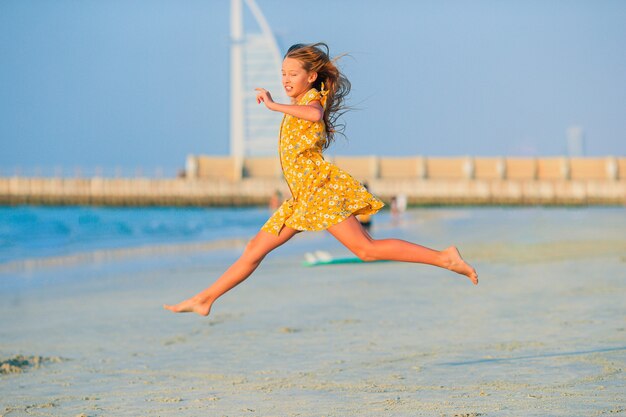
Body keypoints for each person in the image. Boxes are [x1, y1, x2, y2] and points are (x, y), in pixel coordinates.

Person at [164, 43, 477, 317]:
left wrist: (273, 105)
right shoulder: (301, 100)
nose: (286, 79)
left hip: (319, 191)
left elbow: (315, 116)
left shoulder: (312, 98)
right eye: (282, 73)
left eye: (293, 74)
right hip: (303, 197)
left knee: (366, 249)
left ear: (310, 76)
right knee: (255, 248)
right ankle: (205, 299)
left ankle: (444, 257)